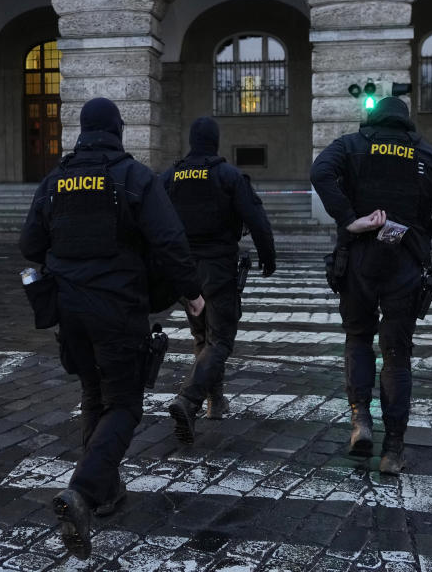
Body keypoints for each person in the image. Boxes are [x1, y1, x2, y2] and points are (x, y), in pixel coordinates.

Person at [19, 97, 205, 560]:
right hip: (118, 308)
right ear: (117, 130)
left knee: (92, 393)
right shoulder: (133, 176)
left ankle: (108, 491)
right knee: (123, 405)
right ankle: (83, 492)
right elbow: (169, 239)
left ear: (81, 130)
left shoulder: (56, 180)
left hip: (68, 309)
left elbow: (29, 244)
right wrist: (192, 293)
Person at [309, 96, 432, 474]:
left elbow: (320, 173)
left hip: (358, 260)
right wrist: (421, 233)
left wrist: (350, 219)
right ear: (405, 123)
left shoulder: (351, 144)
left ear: (373, 117)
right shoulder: (427, 154)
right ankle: (393, 449)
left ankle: (361, 419)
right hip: (405, 264)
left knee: (358, 338)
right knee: (396, 354)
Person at [162, 116, 277, 444]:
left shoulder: (171, 176)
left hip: (184, 271)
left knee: (202, 335)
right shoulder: (228, 175)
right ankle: (189, 399)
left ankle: (215, 402)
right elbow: (256, 218)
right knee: (221, 340)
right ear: (215, 141)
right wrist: (268, 257)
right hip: (218, 269)